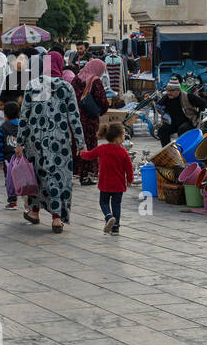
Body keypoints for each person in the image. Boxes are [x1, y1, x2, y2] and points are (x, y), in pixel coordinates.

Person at [14, 51, 85, 233]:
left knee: (36, 176)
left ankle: (35, 212)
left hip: (35, 141)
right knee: (58, 177)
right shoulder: (66, 88)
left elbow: (24, 116)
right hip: (59, 141)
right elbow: (74, 118)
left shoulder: (32, 86)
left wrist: (20, 142)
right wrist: (80, 142)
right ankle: (57, 218)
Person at [79, 121, 132, 234]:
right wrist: (130, 180)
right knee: (116, 205)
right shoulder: (123, 151)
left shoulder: (102, 148)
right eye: (123, 135)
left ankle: (108, 217)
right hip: (119, 185)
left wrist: (81, 153)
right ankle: (116, 227)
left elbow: (89, 155)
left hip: (105, 183)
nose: (124, 138)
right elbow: (129, 167)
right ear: (118, 137)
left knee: (103, 202)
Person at [72, 58, 109, 186]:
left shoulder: (76, 78)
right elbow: (103, 101)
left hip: (74, 118)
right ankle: (86, 175)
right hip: (89, 120)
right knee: (90, 145)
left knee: (76, 144)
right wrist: (100, 111)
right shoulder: (95, 81)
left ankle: (75, 171)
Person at [155, 76, 207, 145]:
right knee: (162, 130)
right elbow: (159, 107)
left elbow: (202, 103)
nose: (169, 93)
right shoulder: (166, 98)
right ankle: (168, 150)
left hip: (188, 121)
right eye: (168, 90)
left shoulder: (187, 96)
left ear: (178, 90)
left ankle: (183, 149)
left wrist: (199, 117)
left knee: (182, 129)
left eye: (172, 91)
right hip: (173, 123)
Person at [0, 100, 20, 209]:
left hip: (7, 160)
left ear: (4, 115)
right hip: (23, 158)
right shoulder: (23, 126)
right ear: (18, 113)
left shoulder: (2, 128)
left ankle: (12, 201)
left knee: (9, 180)